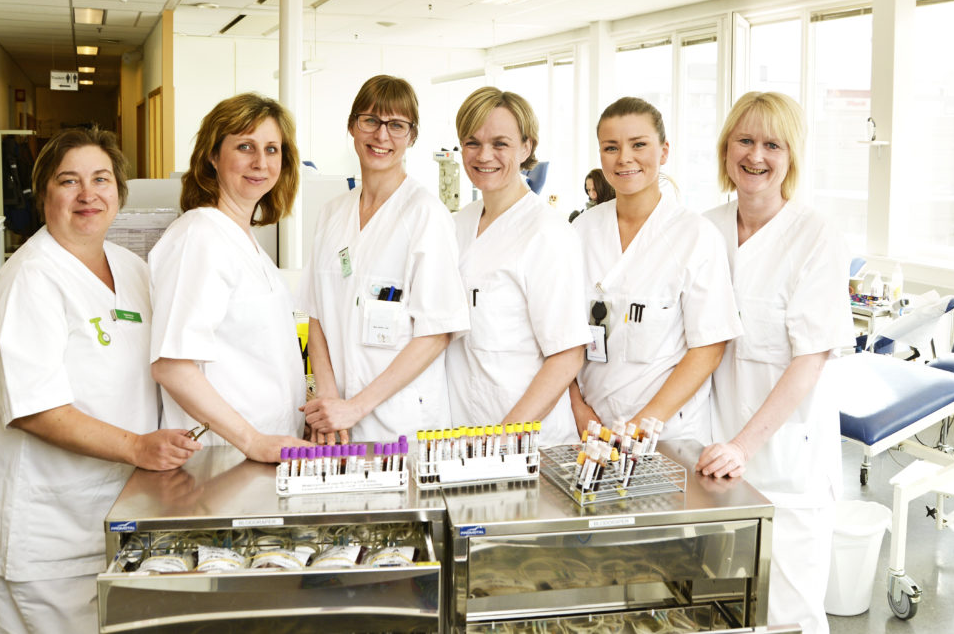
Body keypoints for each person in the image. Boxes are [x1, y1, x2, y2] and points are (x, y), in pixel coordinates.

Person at [0, 127, 201, 633]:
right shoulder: (31, 278)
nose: (87, 194)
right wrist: (140, 448)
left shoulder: (131, 268)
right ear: (44, 195)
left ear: (119, 192)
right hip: (49, 531)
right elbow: (36, 409)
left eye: (101, 179)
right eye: (68, 181)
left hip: (116, 515)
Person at [696, 92, 854, 634]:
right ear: (725, 150)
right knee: (722, 610)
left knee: (788, 615)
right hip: (713, 456)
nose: (756, 156)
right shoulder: (704, 229)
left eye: (772, 144)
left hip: (788, 459)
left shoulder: (816, 236)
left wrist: (744, 446)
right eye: (744, 140)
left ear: (792, 158)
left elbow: (809, 360)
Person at [300, 75, 469, 443]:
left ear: (412, 136)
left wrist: (356, 407)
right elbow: (316, 316)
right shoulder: (331, 214)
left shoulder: (425, 214)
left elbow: (437, 332)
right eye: (370, 121)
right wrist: (330, 400)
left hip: (403, 425)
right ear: (352, 126)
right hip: (339, 422)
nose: (381, 136)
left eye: (396, 125)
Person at [150, 93, 311, 463]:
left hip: (263, 452)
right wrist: (252, 440)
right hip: (222, 457)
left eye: (272, 149)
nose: (260, 162)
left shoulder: (245, 241)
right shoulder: (200, 236)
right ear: (212, 155)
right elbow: (172, 366)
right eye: (245, 146)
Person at [570, 97, 741, 441]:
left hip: (666, 432)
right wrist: (578, 410)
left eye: (639, 145)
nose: (624, 158)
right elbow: (559, 336)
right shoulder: (580, 231)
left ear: (664, 151)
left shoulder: (695, 235)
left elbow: (708, 348)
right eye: (611, 147)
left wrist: (642, 425)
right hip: (589, 429)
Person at [445, 87, 589, 445]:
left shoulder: (547, 233)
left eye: (500, 143)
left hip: (527, 442)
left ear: (527, 147)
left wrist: (503, 438)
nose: (484, 156)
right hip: (463, 435)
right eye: (472, 142)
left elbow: (567, 355)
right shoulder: (456, 226)